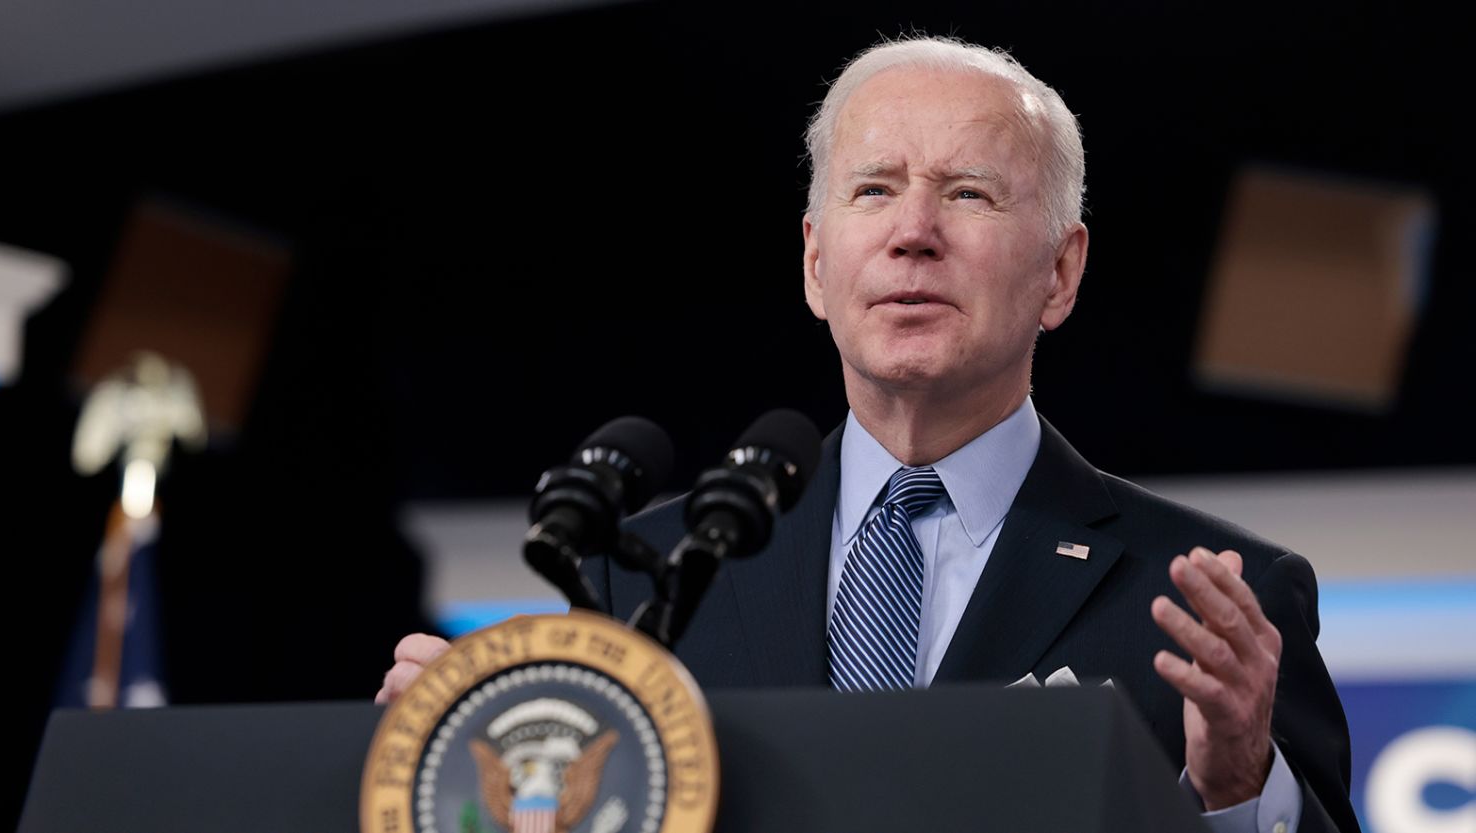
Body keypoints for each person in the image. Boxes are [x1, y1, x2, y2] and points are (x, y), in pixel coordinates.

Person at [379, 36, 1357, 832]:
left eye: (967, 192)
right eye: (873, 189)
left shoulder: (1210, 604)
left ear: (1059, 274)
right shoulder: (644, 580)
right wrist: (462, 760)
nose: (913, 231)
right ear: (816, 262)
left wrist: (1237, 787)